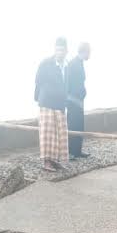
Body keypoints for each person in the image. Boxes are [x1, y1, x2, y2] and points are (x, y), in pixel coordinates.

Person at [34, 37, 70, 172]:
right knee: (47, 133)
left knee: (60, 133)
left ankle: (55, 160)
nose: (59, 52)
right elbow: (38, 81)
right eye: (57, 49)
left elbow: (67, 84)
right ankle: (46, 161)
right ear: (54, 50)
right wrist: (39, 99)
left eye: (62, 50)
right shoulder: (46, 63)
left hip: (60, 103)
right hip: (47, 102)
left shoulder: (67, 66)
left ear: (67, 51)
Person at [67, 42, 91, 159]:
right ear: (84, 51)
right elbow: (68, 84)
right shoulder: (72, 64)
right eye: (89, 52)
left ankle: (77, 150)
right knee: (73, 126)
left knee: (79, 126)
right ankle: (71, 152)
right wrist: (72, 98)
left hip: (79, 101)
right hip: (72, 101)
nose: (90, 55)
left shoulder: (80, 63)